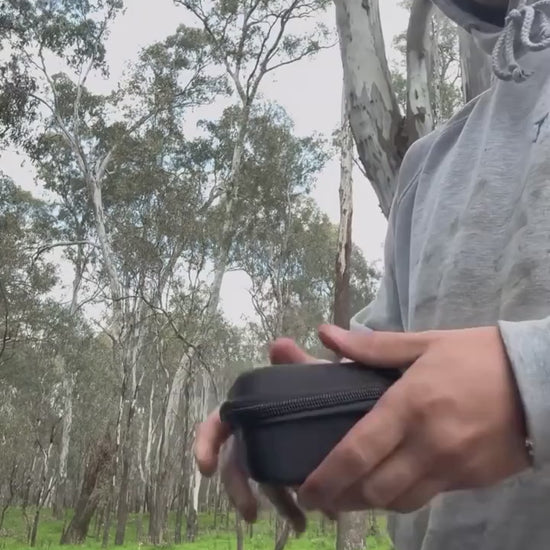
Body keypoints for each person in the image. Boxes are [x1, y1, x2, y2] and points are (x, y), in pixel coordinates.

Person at [194, 0, 550, 548]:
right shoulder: (430, 164)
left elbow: (516, 377)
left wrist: (529, 382)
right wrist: (310, 411)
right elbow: (408, 376)